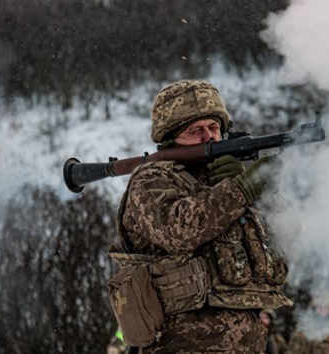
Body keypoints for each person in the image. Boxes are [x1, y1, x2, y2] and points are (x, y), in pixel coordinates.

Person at [109, 80, 299, 353]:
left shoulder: (228, 178)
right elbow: (179, 230)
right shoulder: (151, 180)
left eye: (214, 128)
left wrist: (265, 195)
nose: (209, 137)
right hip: (183, 344)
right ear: (171, 138)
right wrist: (242, 188)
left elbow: (289, 234)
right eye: (195, 130)